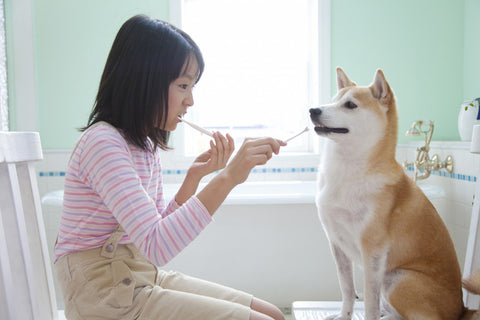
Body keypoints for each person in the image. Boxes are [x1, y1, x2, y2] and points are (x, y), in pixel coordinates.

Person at [54, 14, 287, 320]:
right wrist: (228, 177)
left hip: (136, 274)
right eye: (183, 85)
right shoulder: (103, 144)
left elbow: (152, 231)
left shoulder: (144, 145)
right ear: (144, 81)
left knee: (272, 313)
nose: (190, 101)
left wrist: (194, 178)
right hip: (103, 294)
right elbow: (157, 245)